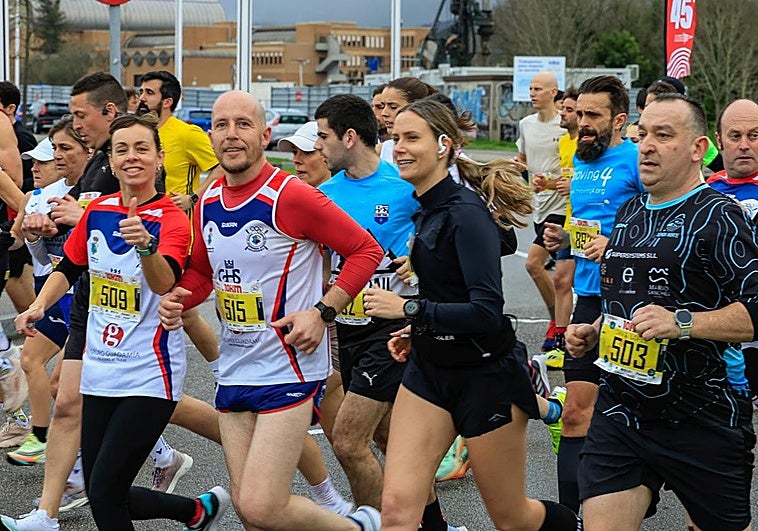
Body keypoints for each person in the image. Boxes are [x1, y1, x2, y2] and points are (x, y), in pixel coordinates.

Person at [158, 89, 384, 531]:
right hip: (235, 367)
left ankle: (361, 527)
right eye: (221, 125)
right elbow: (203, 270)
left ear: (264, 135)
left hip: (288, 368)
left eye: (243, 124)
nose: (231, 134)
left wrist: (322, 312)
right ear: (211, 136)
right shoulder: (208, 199)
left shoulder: (291, 196)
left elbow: (365, 250)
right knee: (250, 514)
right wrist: (180, 296)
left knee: (262, 506)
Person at [363, 98, 581, 531]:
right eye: (395, 137)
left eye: (412, 138)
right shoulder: (425, 208)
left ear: (444, 144)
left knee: (513, 518)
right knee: (397, 510)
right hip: (428, 371)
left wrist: (408, 308)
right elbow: (447, 291)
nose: (399, 147)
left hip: (484, 377)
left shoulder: (466, 214)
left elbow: (486, 312)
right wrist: (417, 327)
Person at [5, 112, 229, 531]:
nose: (132, 157)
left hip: (149, 373)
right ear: (110, 160)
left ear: (159, 158)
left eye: (142, 148)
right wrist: (39, 305)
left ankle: (197, 510)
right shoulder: (98, 209)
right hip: (100, 369)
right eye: (122, 149)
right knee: (102, 489)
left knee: (106, 492)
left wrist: (146, 246)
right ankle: (195, 512)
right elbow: (69, 266)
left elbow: (166, 284)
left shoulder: (171, 218)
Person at [565, 93, 758, 531]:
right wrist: (595, 329)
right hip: (622, 409)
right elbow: (628, 302)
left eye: (663, 135)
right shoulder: (630, 212)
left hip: (700, 414)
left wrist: (682, 323)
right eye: (642, 135)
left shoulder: (719, 216)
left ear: (697, 148)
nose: (647, 146)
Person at [542, 75, 645, 513]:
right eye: (579, 113)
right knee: (575, 413)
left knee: (635, 416)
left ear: (618, 120)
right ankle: (571, 518)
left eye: (593, 115)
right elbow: (587, 229)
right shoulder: (581, 161)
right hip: (588, 299)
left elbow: (658, 226)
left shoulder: (637, 160)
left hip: (632, 302)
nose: (582, 122)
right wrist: (563, 240)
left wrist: (616, 245)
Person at [277, 120, 355, 516]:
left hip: (340, 320)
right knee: (343, 434)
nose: (297, 159)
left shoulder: (339, 199)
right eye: (293, 152)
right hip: (313, 322)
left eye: (306, 151)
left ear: (326, 154)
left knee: (293, 413)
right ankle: (341, 501)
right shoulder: (299, 197)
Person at [5, 131, 86, 467]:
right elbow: (34, 254)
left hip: (82, 296)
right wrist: (28, 236)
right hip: (50, 292)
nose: (35, 168)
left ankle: (156, 450)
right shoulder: (33, 198)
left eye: (44, 162)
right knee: (32, 362)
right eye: (33, 162)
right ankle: (41, 436)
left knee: (64, 384)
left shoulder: (83, 195)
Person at [516, 71, 573, 356]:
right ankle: (562, 322)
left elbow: (572, 165)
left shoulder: (564, 126)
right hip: (539, 206)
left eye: (538, 88)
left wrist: (552, 183)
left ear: (553, 92)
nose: (532, 93)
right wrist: (518, 172)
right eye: (531, 88)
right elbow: (523, 161)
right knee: (562, 274)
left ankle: (557, 325)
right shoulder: (526, 124)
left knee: (535, 264)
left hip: (561, 207)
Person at [708, 99, 758, 401]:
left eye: (754, 135)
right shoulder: (705, 189)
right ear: (719, 141)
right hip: (715, 330)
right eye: (735, 136)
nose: (744, 145)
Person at [378, 77, 438, 164]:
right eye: (382, 106)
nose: (384, 113)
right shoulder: (385, 149)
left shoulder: (439, 149)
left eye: (393, 107)